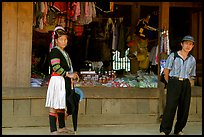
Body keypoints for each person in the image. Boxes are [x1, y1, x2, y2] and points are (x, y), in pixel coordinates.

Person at [45, 26, 79, 135]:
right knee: (54, 104)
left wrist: (72, 76)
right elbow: (56, 67)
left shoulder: (65, 52)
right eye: (61, 40)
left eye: (65, 40)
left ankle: (62, 127)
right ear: (56, 41)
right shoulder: (55, 51)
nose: (64, 42)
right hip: (57, 80)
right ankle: (53, 130)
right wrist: (68, 74)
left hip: (63, 80)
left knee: (61, 103)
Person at [159, 35, 196, 135]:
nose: (188, 46)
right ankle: (164, 130)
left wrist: (189, 85)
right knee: (170, 106)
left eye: (190, 44)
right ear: (181, 44)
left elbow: (192, 75)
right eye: (186, 43)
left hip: (185, 83)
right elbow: (166, 71)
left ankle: (179, 129)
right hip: (174, 82)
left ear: (192, 46)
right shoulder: (173, 55)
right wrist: (170, 83)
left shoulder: (192, 59)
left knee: (184, 107)